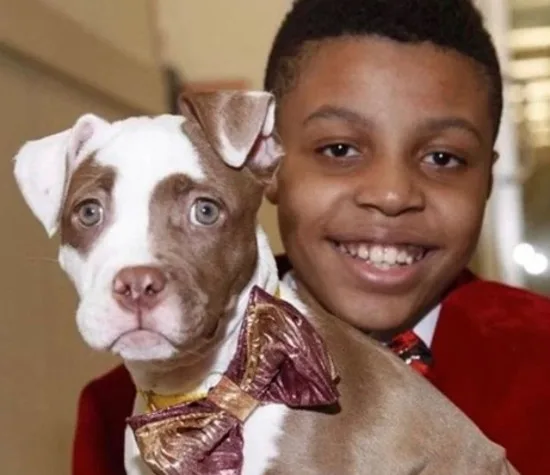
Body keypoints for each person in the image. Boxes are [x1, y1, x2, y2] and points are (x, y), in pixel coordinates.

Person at [72, 1, 550, 474]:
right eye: (339, 149)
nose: (391, 194)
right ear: (267, 160)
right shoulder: (126, 407)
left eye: (443, 158)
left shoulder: (537, 360)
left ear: (488, 179)